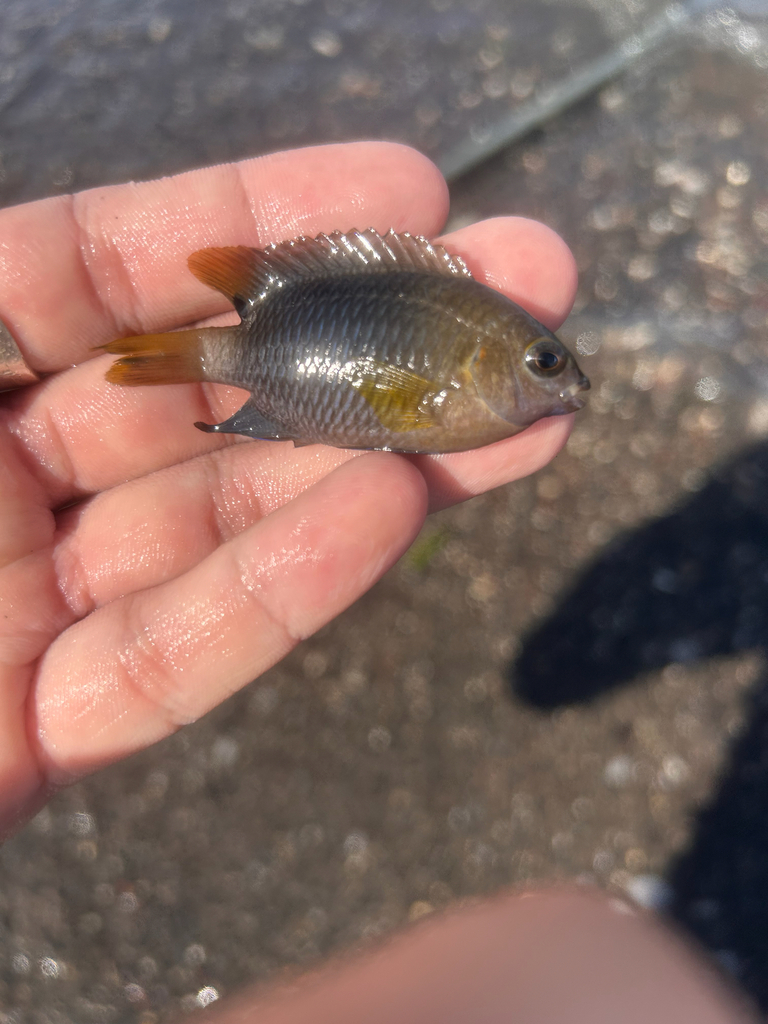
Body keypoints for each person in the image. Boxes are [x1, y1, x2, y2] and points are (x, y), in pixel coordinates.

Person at [0, 142, 754, 1022]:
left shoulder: (469, 365)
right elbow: (388, 395)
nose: (563, 380)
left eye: (550, 365)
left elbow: (388, 400)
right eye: (546, 363)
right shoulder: (460, 361)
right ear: (492, 361)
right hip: (277, 350)